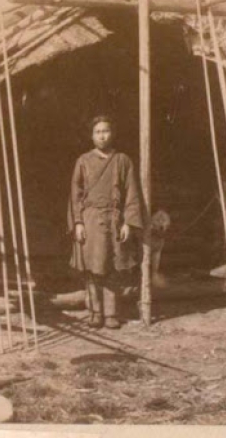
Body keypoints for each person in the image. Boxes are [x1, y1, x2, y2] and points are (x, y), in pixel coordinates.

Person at [67, 116, 146, 329]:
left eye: (106, 131)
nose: (102, 136)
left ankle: (111, 313)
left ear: (113, 133)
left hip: (115, 220)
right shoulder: (83, 161)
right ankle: (95, 312)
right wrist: (78, 222)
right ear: (92, 136)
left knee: (113, 266)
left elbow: (132, 193)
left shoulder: (122, 160)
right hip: (91, 219)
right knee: (92, 268)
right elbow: (75, 194)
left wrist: (128, 222)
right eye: (98, 132)